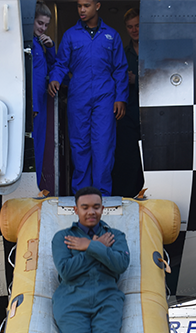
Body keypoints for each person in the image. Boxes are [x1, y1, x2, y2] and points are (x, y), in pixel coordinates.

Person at [52, 186, 131, 333]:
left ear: (102, 208)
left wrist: (88, 246)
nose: (91, 212)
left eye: (96, 207)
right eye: (85, 207)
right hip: (71, 301)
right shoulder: (62, 238)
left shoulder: (116, 236)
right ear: (76, 210)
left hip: (107, 299)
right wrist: (96, 249)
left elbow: (120, 265)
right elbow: (66, 271)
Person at [47, 0, 128, 197]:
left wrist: (120, 98)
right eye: (79, 6)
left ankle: (102, 196)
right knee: (80, 145)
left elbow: (120, 69)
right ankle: (82, 195)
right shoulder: (70, 35)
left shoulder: (112, 36)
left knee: (103, 145)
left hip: (105, 97)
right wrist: (56, 78)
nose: (82, 10)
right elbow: (60, 63)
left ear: (97, 6)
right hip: (79, 96)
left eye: (87, 5)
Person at [111, 8, 144, 197]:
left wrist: (136, 79)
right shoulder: (122, 54)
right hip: (128, 113)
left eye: (138, 25)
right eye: (130, 27)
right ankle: (130, 196)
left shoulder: (155, 52)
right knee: (128, 157)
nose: (134, 30)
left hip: (154, 113)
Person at [32, 2, 56, 191]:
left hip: (40, 104)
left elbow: (51, 68)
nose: (43, 28)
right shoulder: (28, 45)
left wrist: (51, 48)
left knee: (40, 147)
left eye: (46, 25)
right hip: (33, 106)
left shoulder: (39, 45)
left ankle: (37, 189)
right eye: (40, 23)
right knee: (34, 149)